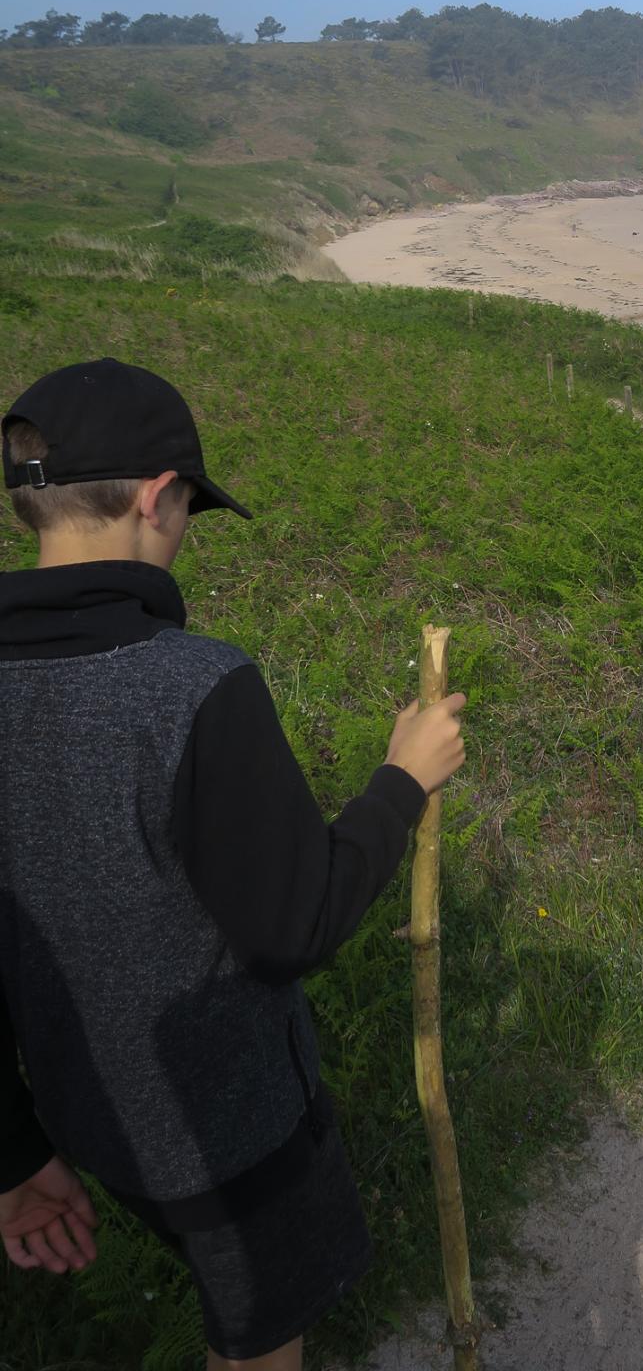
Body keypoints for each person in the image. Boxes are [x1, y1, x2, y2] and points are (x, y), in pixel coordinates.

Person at [0, 360, 467, 1371]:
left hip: (87, 1122)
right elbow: (297, 925)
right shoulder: (196, 686)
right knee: (257, 1344)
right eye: (189, 513)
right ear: (160, 497)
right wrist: (401, 780)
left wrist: (17, 1156)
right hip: (234, 1138)